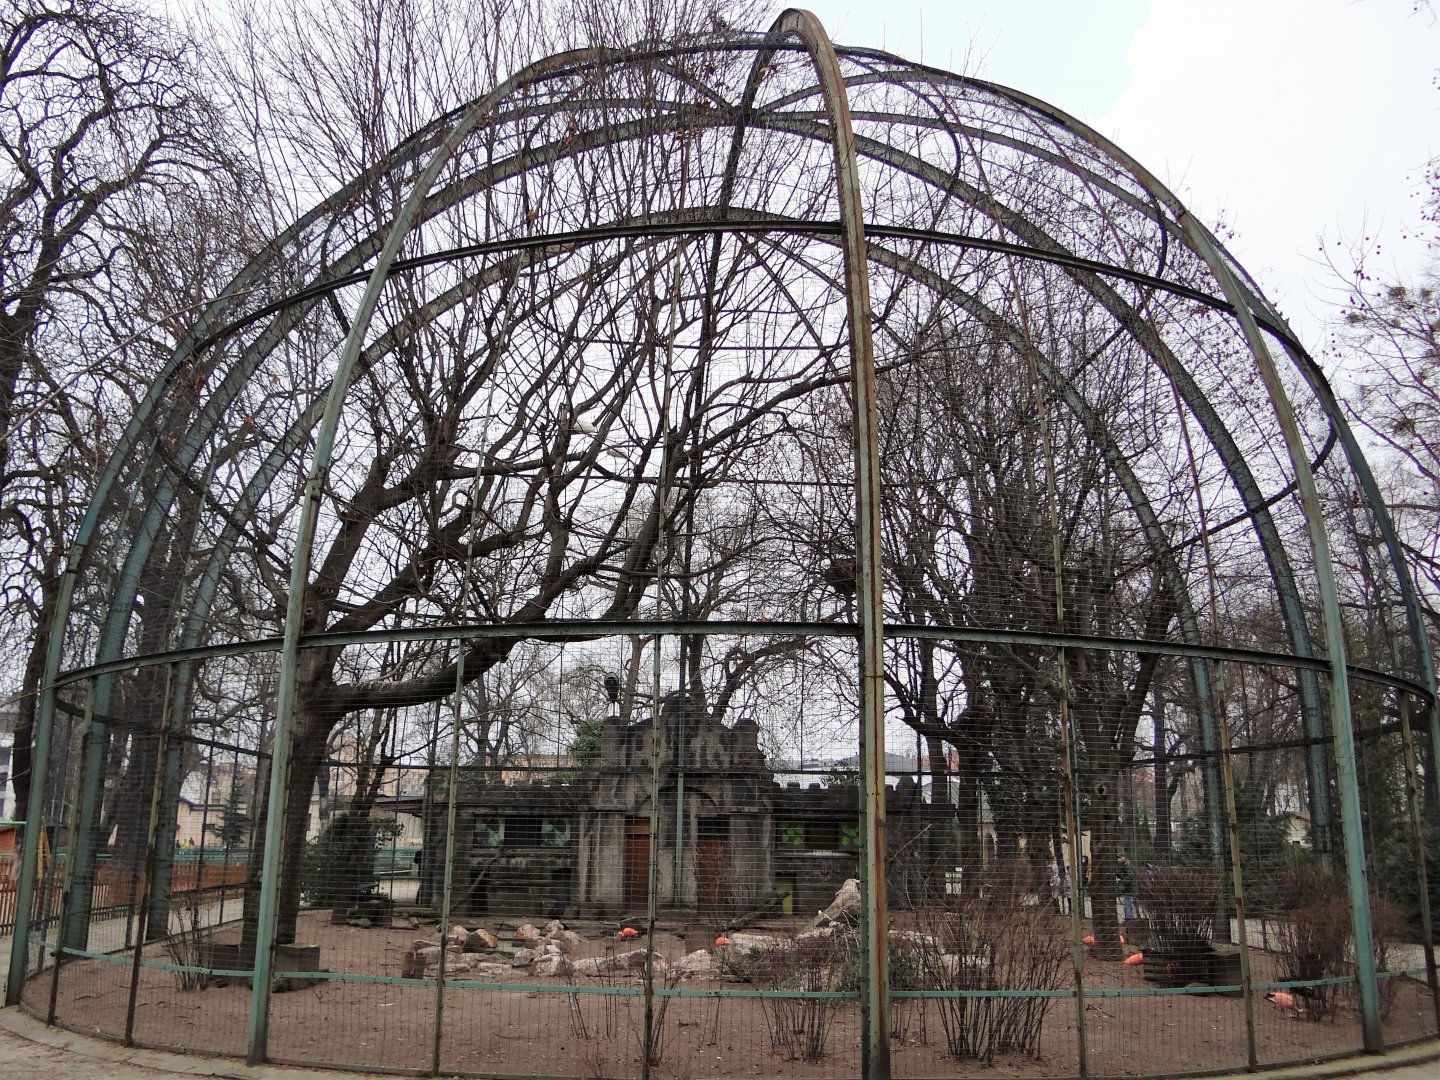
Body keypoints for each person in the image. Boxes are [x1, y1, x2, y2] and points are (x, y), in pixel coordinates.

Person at [1117, 853, 1138, 922]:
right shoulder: (1124, 865)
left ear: (1124, 857)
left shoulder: (1127, 865)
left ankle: (1129, 919)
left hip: (1130, 888)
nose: (1118, 859)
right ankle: (1129, 917)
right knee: (1128, 903)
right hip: (1129, 888)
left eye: (1120, 857)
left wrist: (1122, 884)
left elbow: (1129, 876)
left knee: (1128, 903)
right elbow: (1124, 876)